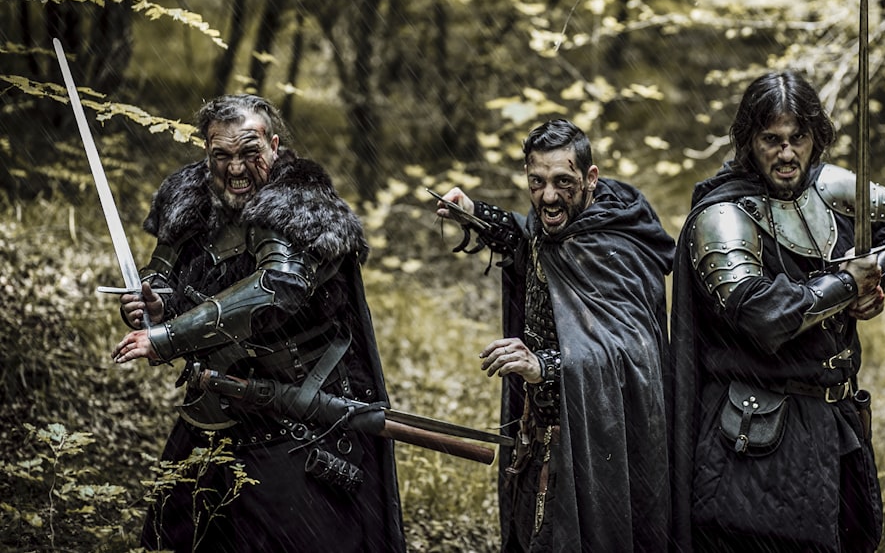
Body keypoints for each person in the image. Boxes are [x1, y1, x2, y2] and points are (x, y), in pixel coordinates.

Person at [112, 94, 405, 552]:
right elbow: (164, 275)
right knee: (177, 531)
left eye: (250, 152)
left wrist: (166, 337)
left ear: (273, 143)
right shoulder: (190, 194)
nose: (235, 169)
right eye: (221, 156)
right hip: (217, 399)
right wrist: (152, 305)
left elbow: (274, 290)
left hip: (296, 408)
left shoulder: (301, 202)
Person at [668, 70, 885, 552]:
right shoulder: (723, 216)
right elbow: (764, 316)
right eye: (772, 140)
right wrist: (848, 283)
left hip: (837, 423)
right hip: (758, 434)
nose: (787, 154)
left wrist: (876, 283)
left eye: (798, 138)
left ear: (815, 138)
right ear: (750, 141)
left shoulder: (828, 188)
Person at [435, 118, 676, 552]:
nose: (548, 196)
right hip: (539, 433)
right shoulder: (552, 228)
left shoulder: (616, 247)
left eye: (563, 182)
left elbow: (633, 355)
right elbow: (526, 240)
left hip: (597, 438)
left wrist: (541, 365)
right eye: (537, 182)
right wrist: (474, 214)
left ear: (590, 178)